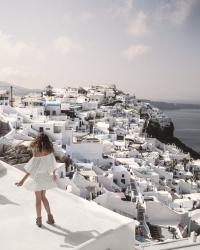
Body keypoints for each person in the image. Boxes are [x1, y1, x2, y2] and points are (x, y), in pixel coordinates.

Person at [15, 133, 57, 227]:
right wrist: (54, 175)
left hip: (37, 178)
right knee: (44, 197)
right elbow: (53, 165)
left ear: (38, 140)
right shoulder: (49, 151)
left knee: (38, 199)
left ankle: (39, 220)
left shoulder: (36, 151)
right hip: (45, 177)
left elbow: (31, 169)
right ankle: (50, 218)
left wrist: (22, 181)